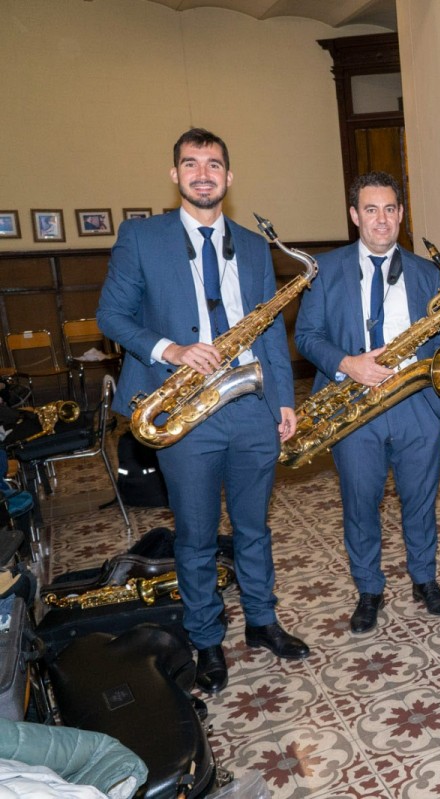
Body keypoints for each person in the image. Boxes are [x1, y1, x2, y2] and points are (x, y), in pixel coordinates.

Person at [97, 128, 308, 694]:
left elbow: (268, 333)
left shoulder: (254, 244)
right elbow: (111, 317)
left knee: (254, 527)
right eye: (191, 164)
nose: (203, 173)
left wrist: (284, 400)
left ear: (229, 177)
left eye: (214, 164)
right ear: (175, 175)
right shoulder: (141, 238)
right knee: (194, 535)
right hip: (185, 406)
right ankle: (207, 639)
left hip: (251, 405)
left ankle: (262, 623)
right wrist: (171, 349)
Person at [294, 171, 440, 633]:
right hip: (352, 406)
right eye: (370, 210)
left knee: (421, 501)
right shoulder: (326, 271)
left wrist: (435, 407)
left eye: (389, 209)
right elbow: (306, 336)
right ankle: (369, 588)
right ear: (354, 216)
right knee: (360, 503)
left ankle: (425, 579)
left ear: (401, 214)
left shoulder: (428, 273)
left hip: (415, 405)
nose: (381, 220)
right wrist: (347, 363)